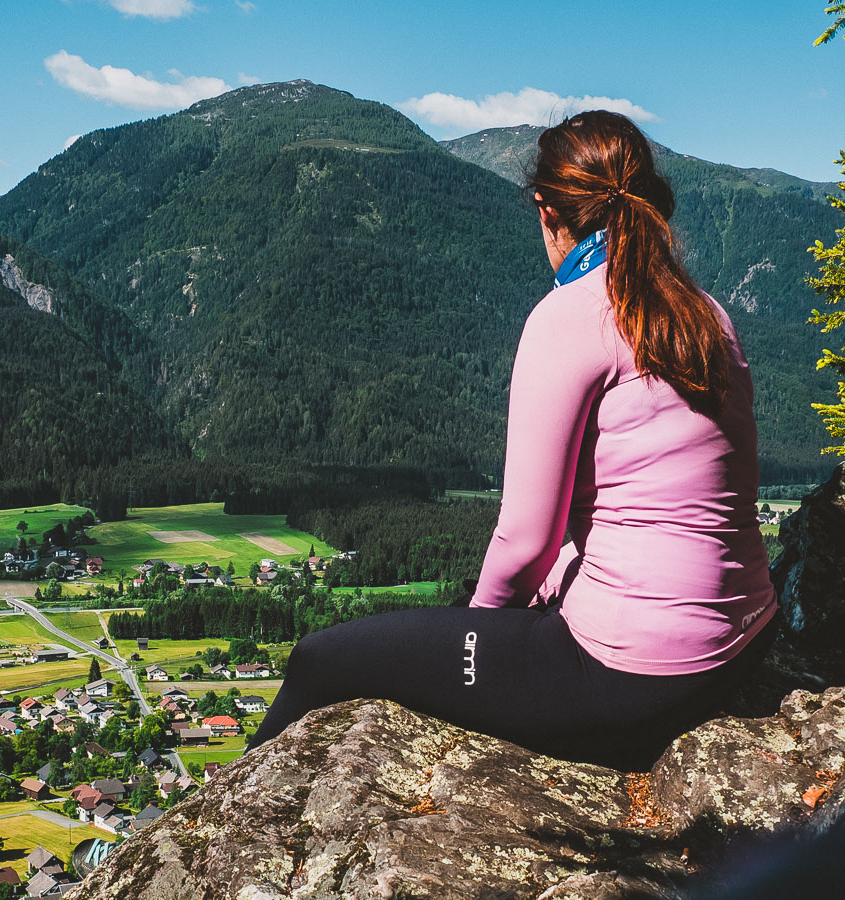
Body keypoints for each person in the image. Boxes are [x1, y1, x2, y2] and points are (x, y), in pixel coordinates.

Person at [246, 111, 778, 769]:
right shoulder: (703, 311)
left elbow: (525, 539)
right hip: (742, 639)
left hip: (632, 676)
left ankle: (202, 836)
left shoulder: (572, 314)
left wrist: (480, 629)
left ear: (543, 208)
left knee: (318, 659)